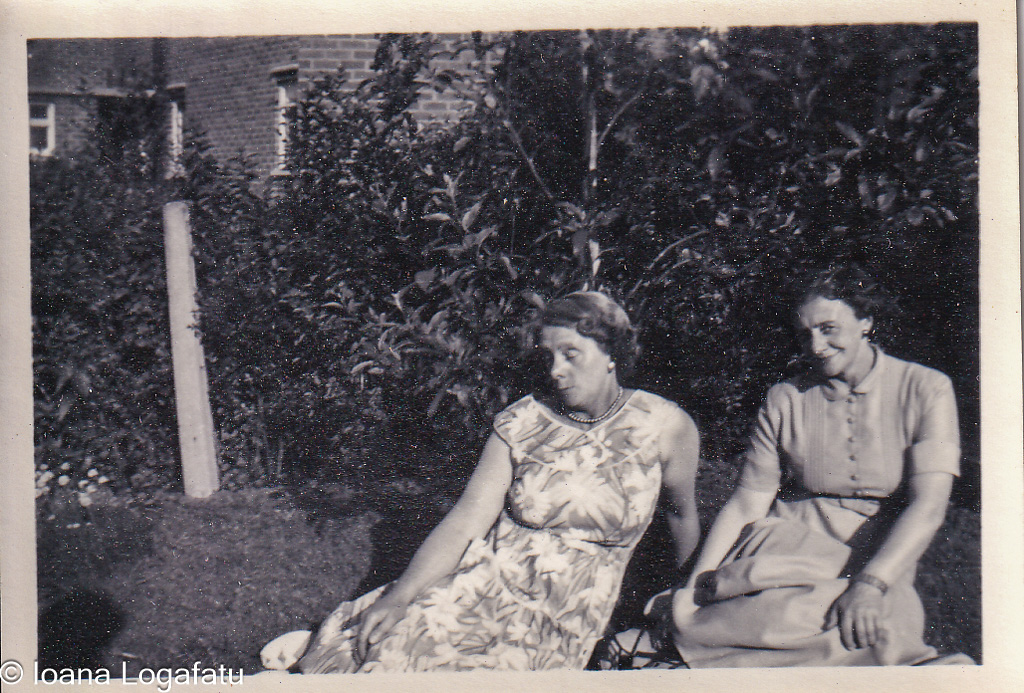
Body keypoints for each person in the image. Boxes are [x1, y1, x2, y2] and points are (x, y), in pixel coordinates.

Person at [264, 291, 701, 673]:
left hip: (565, 613)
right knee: (397, 644)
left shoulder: (664, 426)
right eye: (547, 356)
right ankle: (327, 643)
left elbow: (681, 515)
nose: (555, 370)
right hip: (489, 580)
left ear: (611, 354)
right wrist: (403, 593)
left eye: (571, 354)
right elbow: (467, 519)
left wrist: (686, 603)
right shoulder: (523, 421)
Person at [602, 266, 972, 668]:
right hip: (787, 542)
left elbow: (929, 506)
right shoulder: (786, 397)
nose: (816, 345)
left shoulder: (926, 388)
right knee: (805, 619)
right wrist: (694, 583)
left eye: (829, 328)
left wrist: (871, 581)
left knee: (871, 624)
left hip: (879, 549)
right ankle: (683, 643)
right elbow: (748, 503)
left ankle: (685, 653)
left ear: (866, 321)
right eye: (804, 333)